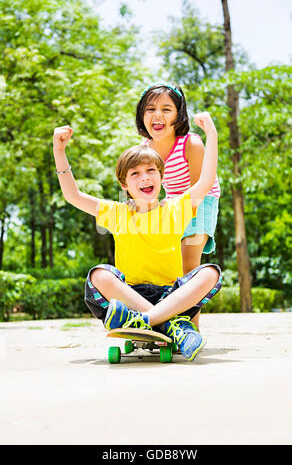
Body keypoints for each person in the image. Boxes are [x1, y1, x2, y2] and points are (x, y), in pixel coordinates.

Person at [52, 112, 222, 362]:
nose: (145, 177)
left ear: (161, 178)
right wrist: (59, 150)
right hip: (129, 296)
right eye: (135, 174)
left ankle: (145, 321)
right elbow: (72, 195)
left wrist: (212, 135)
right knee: (98, 275)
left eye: (151, 170)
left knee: (211, 273)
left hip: (170, 296)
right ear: (124, 184)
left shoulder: (177, 208)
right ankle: (170, 325)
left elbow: (207, 180)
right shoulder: (116, 212)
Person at [136, 82, 221, 329]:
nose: (157, 115)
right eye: (150, 109)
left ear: (179, 114)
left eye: (166, 109)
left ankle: (191, 327)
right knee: (167, 264)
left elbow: (199, 189)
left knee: (189, 259)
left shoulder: (190, 143)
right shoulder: (145, 150)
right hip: (173, 202)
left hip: (202, 200)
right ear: (142, 115)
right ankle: (167, 319)